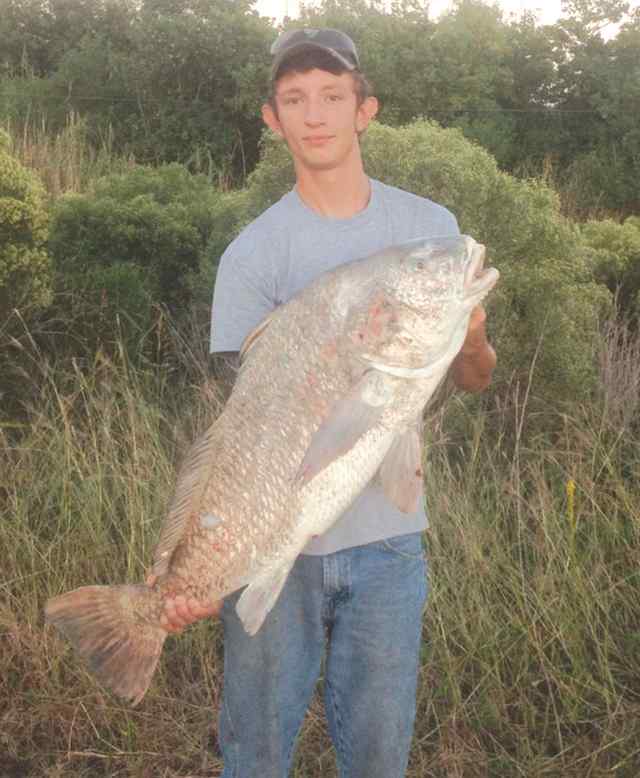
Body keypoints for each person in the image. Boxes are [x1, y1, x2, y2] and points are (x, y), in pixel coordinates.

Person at [159, 28, 496, 777]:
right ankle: (145, 612)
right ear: (272, 119)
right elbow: (243, 428)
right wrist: (189, 574)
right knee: (254, 755)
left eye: (332, 97)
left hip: (388, 546)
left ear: (364, 110)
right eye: (295, 100)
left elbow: (473, 378)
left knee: (379, 758)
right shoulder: (252, 255)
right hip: (274, 550)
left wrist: (469, 338)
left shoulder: (428, 231)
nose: (315, 115)